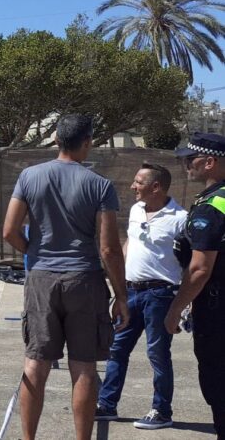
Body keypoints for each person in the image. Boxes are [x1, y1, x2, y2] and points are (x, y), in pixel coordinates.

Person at [2, 114, 130, 440]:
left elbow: (9, 231)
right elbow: (109, 249)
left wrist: (34, 253)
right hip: (85, 280)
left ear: (56, 139)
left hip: (42, 278)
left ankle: (28, 437)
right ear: (87, 142)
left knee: (35, 363)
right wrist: (121, 297)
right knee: (85, 367)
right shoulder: (100, 186)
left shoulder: (29, 177)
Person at [96, 163, 185, 430]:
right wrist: (118, 287)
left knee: (157, 353)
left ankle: (161, 410)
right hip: (131, 292)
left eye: (138, 182)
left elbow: (191, 262)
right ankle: (107, 405)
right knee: (116, 349)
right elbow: (128, 243)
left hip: (161, 295)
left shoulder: (180, 218)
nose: (132, 187)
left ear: (155, 187)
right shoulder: (135, 210)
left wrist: (183, 304)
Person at [165, 132, 225, 436]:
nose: (186, 165)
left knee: (218, 386)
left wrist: (175, 309)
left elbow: (200, 269)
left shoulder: (213, 204)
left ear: (210, 162)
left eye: (191, 159)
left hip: (217, 313)